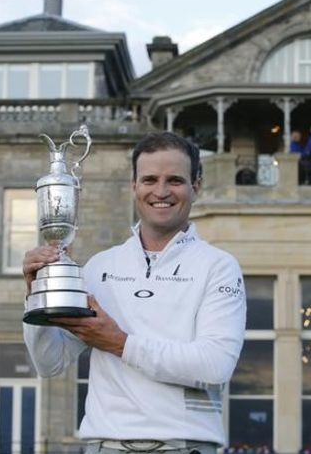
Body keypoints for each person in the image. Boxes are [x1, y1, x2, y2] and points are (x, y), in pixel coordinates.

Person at [22, 132, 247, 454]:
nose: (161, 191)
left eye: (175, 180)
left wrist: (119, 342)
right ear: (134, 187)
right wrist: (37, 294)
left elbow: (214, 368)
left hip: (185, 446)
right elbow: (49, 363)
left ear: (196, 187)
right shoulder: (100, 266)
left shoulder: (218, 266)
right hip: (105, 446)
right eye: (150, 180)